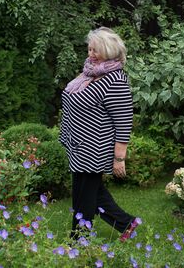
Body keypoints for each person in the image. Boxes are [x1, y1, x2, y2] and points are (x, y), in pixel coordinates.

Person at [59, 26, 140, 242]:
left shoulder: (115, 80)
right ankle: (126, 224)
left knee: (85, 196)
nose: (91, 54)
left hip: (94, 147)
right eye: (89, 49)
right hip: (78, 144)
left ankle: (79, 240)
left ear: (109, 51)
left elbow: (123, 121)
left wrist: (119, 158)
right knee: (88, 193)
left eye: (96, 50)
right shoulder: (89, 73)